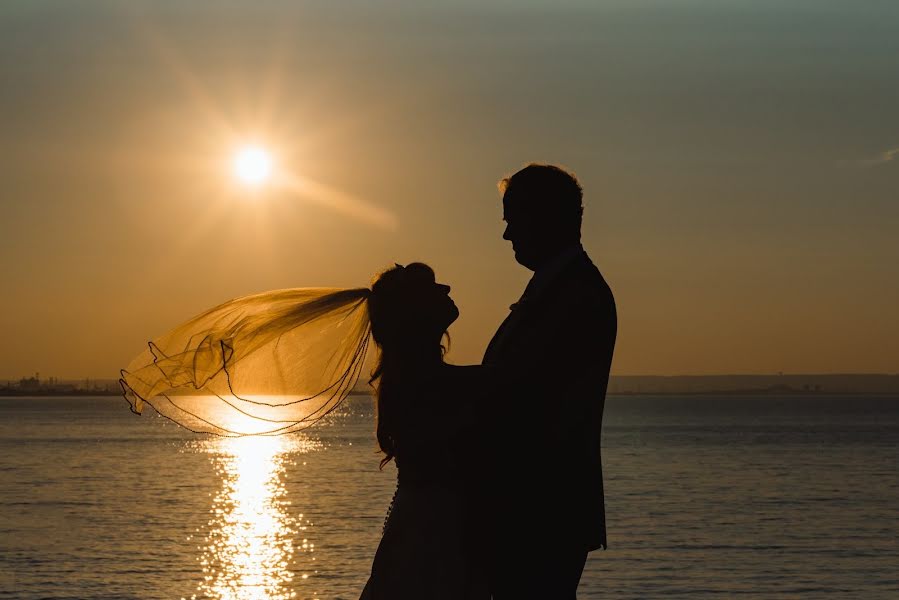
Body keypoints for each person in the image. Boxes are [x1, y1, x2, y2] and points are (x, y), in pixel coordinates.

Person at [480, 164, 617, 599]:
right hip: (536, 508)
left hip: (542, 509)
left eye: (512, 220)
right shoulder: (555, 288)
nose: (507, 236)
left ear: (549, 217)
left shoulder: (576, 294)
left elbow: (520, 394)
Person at [359, 262, 489, 599]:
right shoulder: (432, 384)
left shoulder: (417, 380)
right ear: (415, 315)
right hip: (433, 534)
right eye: (431, 287)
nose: (445, 289)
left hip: (428, 524)